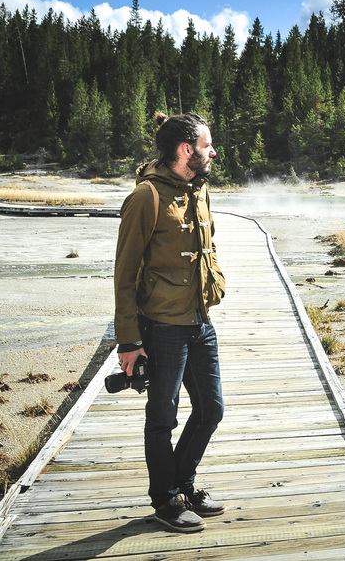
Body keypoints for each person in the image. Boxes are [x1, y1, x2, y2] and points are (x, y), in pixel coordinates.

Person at [113, 111, 228, 533]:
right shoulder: (146, 197)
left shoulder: (198, 190)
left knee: (212, 409)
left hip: (199, 321)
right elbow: (124, 276)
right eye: (206, 145)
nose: (213, 151)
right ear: (186, 151)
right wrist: (129, 341)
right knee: (162, 417)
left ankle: (182, 483)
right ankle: (165, 499)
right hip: (161, 327)